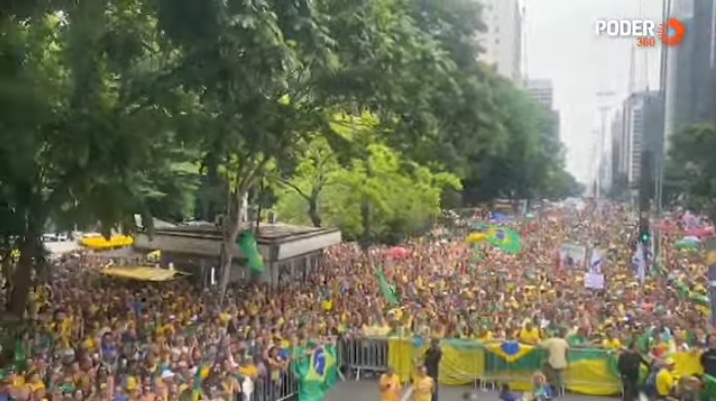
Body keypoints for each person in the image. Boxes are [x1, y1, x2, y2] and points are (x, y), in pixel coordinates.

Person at [540, 329, 568, 396]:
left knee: (544, 370)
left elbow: (541, 345)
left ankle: (548, 388)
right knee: (559, 377)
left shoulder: (550, 340)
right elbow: (568, 348)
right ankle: (559, 391)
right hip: (562, 362)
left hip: (552, 362)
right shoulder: (563, 341)